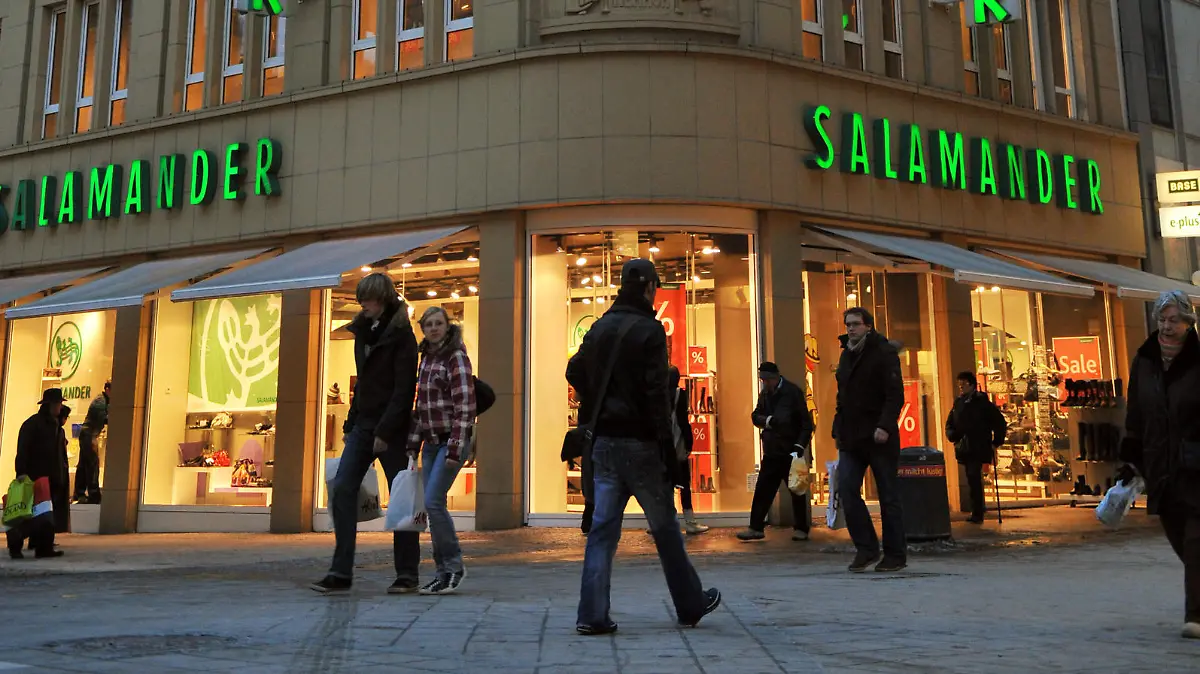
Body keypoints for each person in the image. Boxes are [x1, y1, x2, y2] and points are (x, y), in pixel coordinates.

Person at [568, 258, 721, 635]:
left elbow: (574, 370)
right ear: (651, 288)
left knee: (603, 530)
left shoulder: (601, 326)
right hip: (640, 443)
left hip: (604, 442)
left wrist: (598, 400)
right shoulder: (650, 332)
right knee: (665, 527)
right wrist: (667, 448)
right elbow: (656, 395)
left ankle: (592, 614)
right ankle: (689, 603)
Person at [312, 273, 420, 595]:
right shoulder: (362, 332)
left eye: (368, 300)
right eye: (361, 300)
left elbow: (403, 390)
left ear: (383, 299)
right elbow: (363, 384)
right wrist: (351, 424)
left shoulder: (403, 336)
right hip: (363, 425)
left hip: (394, 429)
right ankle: (340, 572)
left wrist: (385, 431)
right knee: (343, 489)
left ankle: (407, 574)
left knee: (401, 499)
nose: (363, 305)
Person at [1121, 290, 1200, 639]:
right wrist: (1132, 457)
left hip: (1197, 463)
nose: (1167, 327)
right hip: (1159, 462)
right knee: (1176, 534)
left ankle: (1195, 616)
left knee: (1197, 538)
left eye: (1174, 320)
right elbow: (1135, 411)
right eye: (1162, 320)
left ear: (1188, 322)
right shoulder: (1145, 359)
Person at [407, 305, 476, 596]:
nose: (433, 328)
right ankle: (441, 572)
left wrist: (456, 447)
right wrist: (412, 445)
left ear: (447, 326)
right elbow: (420, 406)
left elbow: (465, 406)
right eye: (428, 324)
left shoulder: (455, 357)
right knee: (433, 506)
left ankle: (453, 567)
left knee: (434, 503)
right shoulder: (426, 359)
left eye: (438, 323)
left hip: (450, 441)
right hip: (431, 443)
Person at [833, 307, 907, 573]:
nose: (850, 329)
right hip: (851, 437)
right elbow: (842, 397)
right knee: (847, 490)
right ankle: (866, 548)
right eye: (847, 325)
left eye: (855, 324)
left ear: (868, 326)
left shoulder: (883, 352)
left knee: (888, 495)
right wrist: (837, 428)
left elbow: (894, 394)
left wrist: (885, 425)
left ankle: (895, 554)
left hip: (878, 436)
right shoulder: (847, 355)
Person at [737, 362, 814, 542]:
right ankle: (755, 527)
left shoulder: (792, 393)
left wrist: (799, 446)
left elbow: (805, 423)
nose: (764, 383)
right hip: (772, 451)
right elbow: (755, 416)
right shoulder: (765, 394)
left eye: (766, 379)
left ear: (775, 377)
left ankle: (801, 528)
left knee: (796, 489)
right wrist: (768, 421)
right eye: (762, 380)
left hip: (790, 450)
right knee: (763, 489)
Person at [8, 389, 68, 559]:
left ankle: (44, 548)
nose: (59, 407)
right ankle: (16, 543)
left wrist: (60, 477)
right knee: (27, 514)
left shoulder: (57, 426)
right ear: (49, 405)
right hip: (35, 477)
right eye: (57, 404)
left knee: (47, 516)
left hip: (51, 478)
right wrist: (21, 472)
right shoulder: (33, 424)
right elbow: (23, 450)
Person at [945, 371, 1007, 524]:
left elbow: (999, 422)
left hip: (977, 445)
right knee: (971, 476)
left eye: (964, 384)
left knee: (973, 476)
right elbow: (951, 422)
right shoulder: (959, 403)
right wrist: (953, 435)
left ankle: (977, 511)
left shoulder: (982, 403)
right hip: (964, 446)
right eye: (959, 384)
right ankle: (976, 510)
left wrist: (996, 442)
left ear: (972, 385)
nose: (961, 387)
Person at [669, 365, 708, 535]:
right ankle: (690, 521)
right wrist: (689, 442)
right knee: (684, 483)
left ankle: (664, 521)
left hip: (661, 445)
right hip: (677, 442)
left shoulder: (658, 394)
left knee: (665, 484)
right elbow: (683, 421)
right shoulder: (679, 393)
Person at [73, 381, 109, 504]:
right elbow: (104, 419)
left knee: (83, 465)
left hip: (88, 434)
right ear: (108, 389)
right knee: (92, 465)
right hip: (89, 435)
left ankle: (79, 493)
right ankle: (93, 495)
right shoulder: (101, 402)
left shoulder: (102, 400)